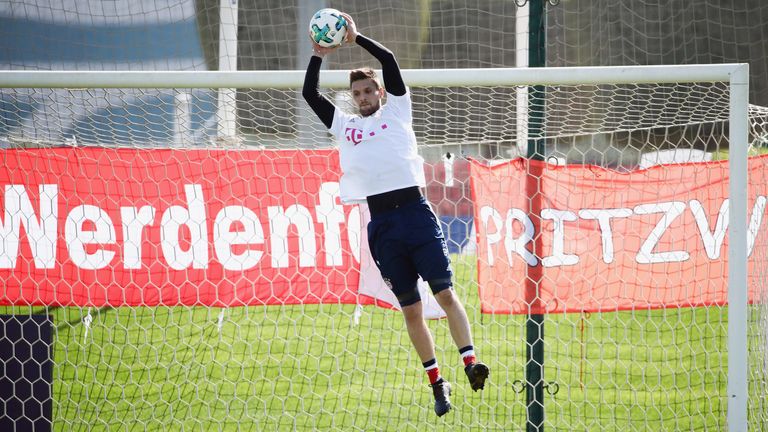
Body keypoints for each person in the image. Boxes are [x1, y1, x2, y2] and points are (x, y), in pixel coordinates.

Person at [302, 13, 489, 417]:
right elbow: (310, 94)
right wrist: (318, 55)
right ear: (353, 97)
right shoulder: (344, 125)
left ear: (381, 93)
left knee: (444, 292)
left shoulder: (398, 111)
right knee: (411, 309)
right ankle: (438, 384)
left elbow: (387, 59)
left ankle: (471, 361)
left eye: (369, 90)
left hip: (416, 215)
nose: (364, 96)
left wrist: (355, 39)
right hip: (382, 226)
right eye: (358, 92)